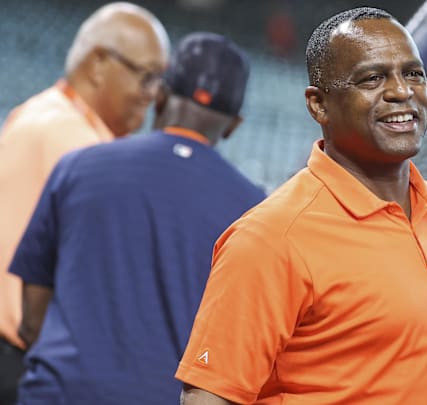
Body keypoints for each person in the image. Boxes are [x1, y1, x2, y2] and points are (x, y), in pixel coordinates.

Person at [177, 7, 427, 405]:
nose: (402, 91)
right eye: (372, 78)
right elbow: (209, 397)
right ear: (319, 105)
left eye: (414, 73)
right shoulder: (272, 237)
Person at [8, 32, 266, 404]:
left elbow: (32, 317)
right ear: (233, 125)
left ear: (159, 96)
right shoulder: (257, 211)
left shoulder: (80, 165)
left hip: (60, 392)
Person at [0, 3, 169, 403]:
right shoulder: (71, 136)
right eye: (146, 76)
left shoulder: (43, 112)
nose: (152, 94)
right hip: (18, 361)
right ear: (98, 64)